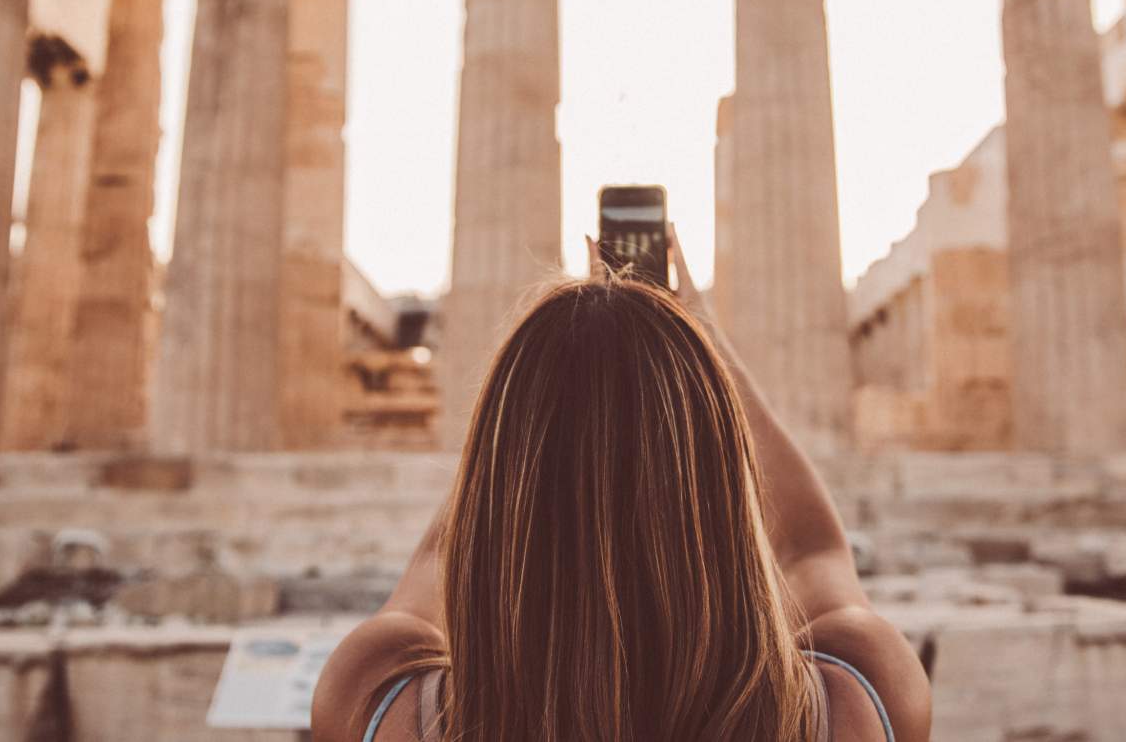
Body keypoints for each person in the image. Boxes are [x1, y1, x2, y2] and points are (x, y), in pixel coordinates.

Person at [311, 230, 931, 742]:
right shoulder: (858, 700)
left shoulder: (377, 700)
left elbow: (439, 559)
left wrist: (530, 423)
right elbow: (811, 549)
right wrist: (701, 339)